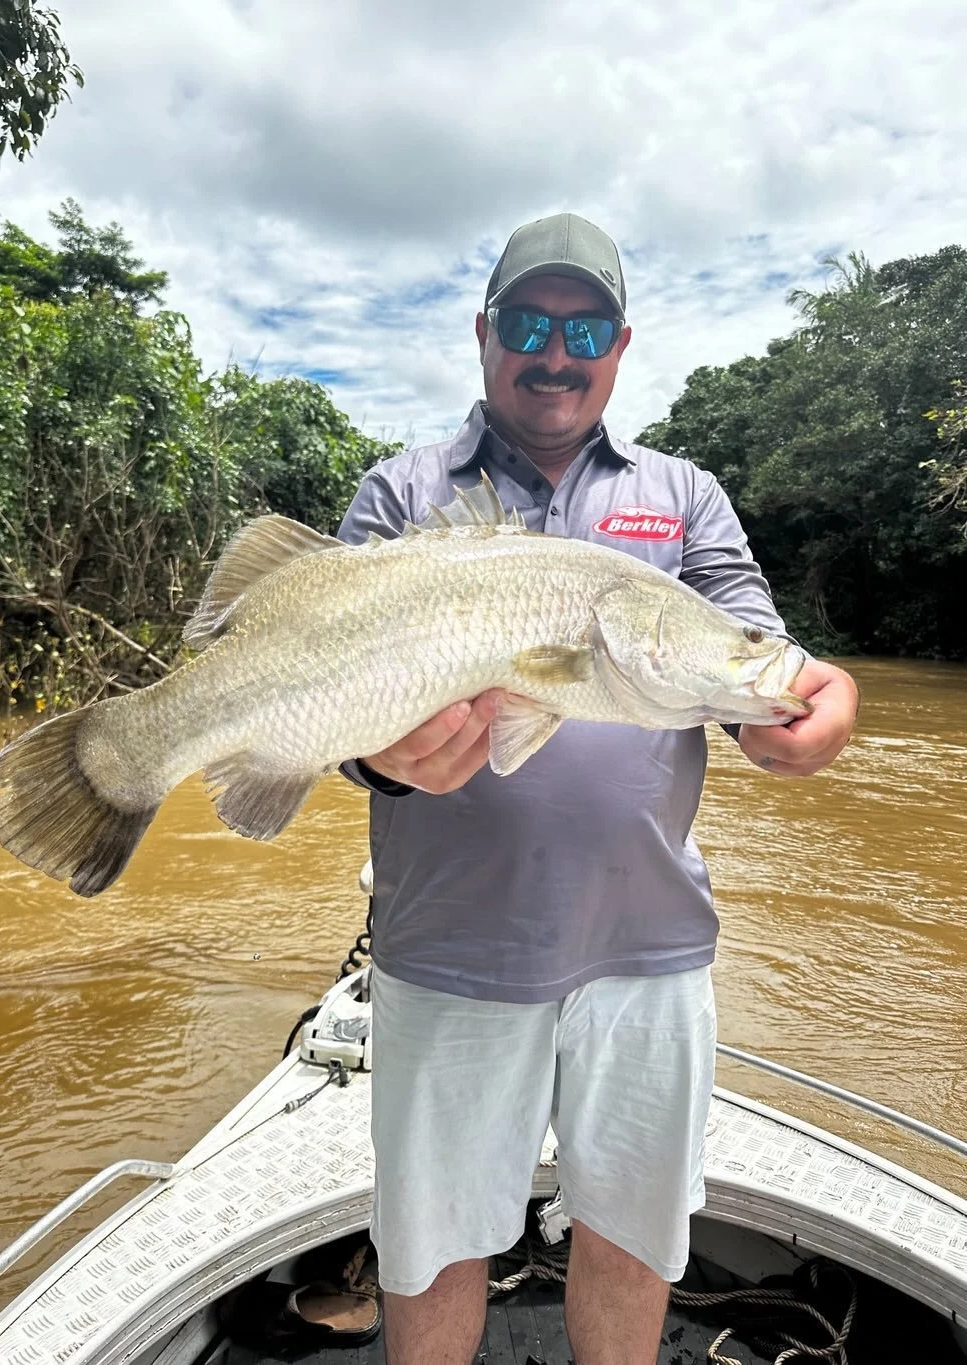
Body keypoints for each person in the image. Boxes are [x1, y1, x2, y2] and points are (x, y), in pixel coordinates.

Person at [335, 213, 859, 1365]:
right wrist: (377, 759)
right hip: (447, 949)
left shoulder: (685, 496)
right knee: (431, 1248)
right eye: (528, 324)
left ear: (620, 346)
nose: (554, 354)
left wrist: (806, 701)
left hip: (649, 952)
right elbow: (332, 702)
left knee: (630, 1238)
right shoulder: (400, 493)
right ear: (483, 333)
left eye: (584, 331)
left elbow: (755, 657)